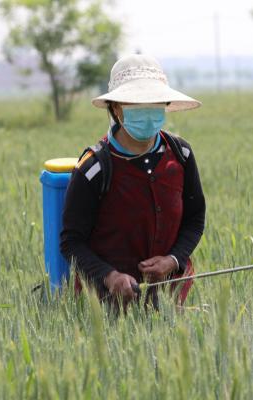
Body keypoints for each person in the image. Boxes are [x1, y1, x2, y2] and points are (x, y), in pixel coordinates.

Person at [60, 54, 205, 309]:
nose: (148, 113)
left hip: (171, 299)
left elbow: (194, 219)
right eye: (138, 105)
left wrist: (173, 260)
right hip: (107, 304)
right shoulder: (94, 168)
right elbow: (72, 242)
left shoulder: (181, 155)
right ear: (116, 108)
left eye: (155, 104)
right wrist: (110, 276)